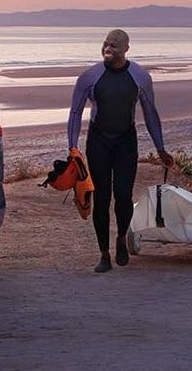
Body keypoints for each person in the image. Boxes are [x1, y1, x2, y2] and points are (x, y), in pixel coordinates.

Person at [66, 29, 170, 272]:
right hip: (99, 140)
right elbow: (75, 113)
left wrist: (161, 148)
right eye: (105, 44)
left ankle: (121, 238)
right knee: (101, 198)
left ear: (126, 49)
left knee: (123, 196)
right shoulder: (89, 77)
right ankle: (104, 254)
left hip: (126, 140)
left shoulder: (140, 77)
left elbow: (150, 113)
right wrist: (72, 148)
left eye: (113, 45)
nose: (108, 49)